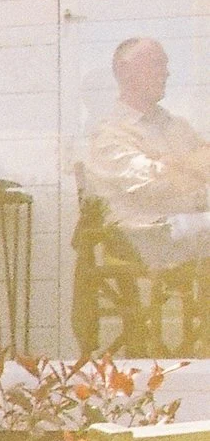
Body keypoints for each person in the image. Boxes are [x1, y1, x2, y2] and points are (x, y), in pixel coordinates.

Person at [86, 37, 210, 268]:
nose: (166, 73)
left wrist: (175, 165)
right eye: (156, 64)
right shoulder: (109, 134)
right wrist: (188, 170)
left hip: (190, 225)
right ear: (125, 72)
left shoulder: (177, 127)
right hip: (144, 235)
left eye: (165, 65)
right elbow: (153, 182)